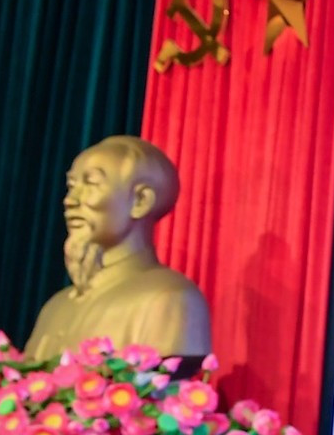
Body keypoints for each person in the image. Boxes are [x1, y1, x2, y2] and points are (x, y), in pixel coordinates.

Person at [23, 136, 211, 362]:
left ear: (140, 201)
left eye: (91, 184)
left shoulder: (171, 299)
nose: (70, 200)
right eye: (71, 186)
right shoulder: (56, 307)